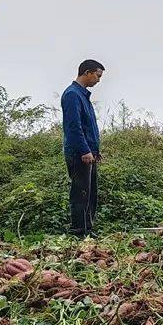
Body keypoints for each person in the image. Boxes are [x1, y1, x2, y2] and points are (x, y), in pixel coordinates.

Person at [61, 59, 104, 237]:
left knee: (90, 193)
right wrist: (84, 150)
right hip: (79, 154)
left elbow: (88, 128)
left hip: (88, 153)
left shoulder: (83, 96)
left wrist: (94, 151)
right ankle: (78, 232)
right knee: (80, 194)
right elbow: (73, 127)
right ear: (87, 72)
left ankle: (88, 229)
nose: (99, 80)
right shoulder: (72, 95)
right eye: (97, 75)